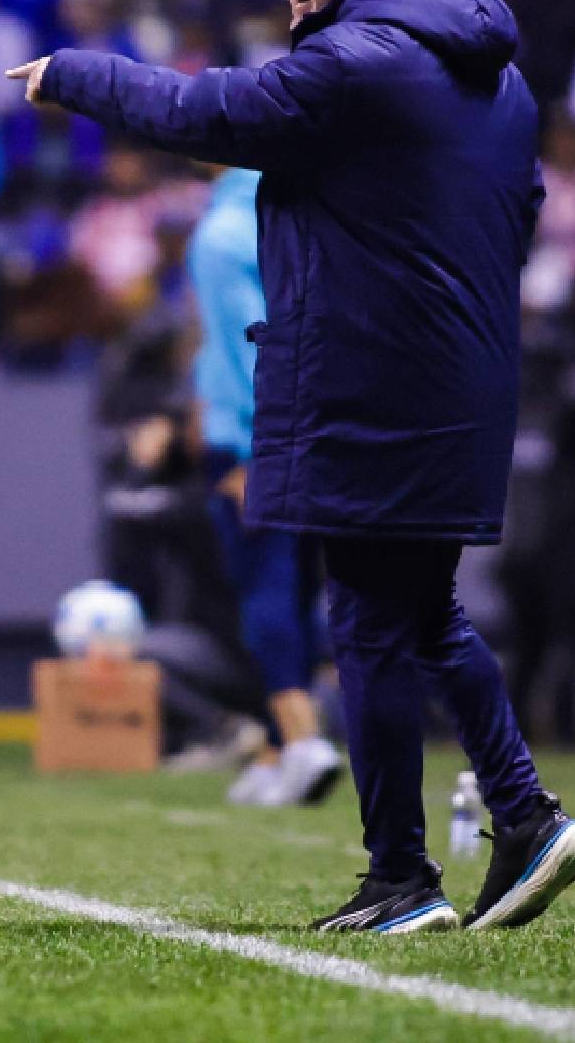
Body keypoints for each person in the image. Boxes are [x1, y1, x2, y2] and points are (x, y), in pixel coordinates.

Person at [11, 0, 575, 933]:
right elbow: (514, 215)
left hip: (379, 376)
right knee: (420, 608)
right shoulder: (497, 79)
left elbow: (205, 109)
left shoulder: (354, 61)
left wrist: (73, 72)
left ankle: (401, 879)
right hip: (462, 374)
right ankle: (523, 817)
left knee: (368, 623)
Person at [188, 161, 339, 808]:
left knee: (265, 586)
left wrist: (257, 443)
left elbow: (255, 344)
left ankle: (303, 742)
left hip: (255, 434)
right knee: (301, 587)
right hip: (317, 426)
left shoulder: (223, 231)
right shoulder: (305, 216)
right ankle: (284, 747)